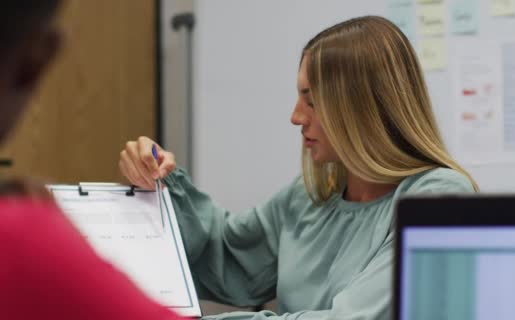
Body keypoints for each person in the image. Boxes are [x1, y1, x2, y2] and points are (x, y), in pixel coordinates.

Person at [120, 16, 479, 319]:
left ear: (363, 108)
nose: (295, 117)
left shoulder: (438, 198)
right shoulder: (311, 198)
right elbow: (227, 257)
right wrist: (164, 184)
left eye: (313, 101)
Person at [0, 1, 184, 319]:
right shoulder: (22, 244)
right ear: (37, 60)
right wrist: (59, 245)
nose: (295, 117)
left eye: (304, 97)